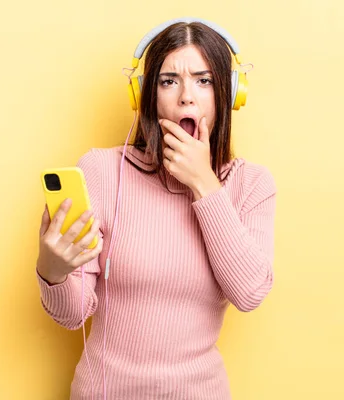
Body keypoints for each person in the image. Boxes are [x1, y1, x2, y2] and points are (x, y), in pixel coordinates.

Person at [35, 17, 277, 400]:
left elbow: (249, 293)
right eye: (168, 81)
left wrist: (204, 185)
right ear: (146, 94)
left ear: (230, 94)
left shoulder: (252, 185)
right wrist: (53, 272)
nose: (186, 97)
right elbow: (72, 316)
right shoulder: (100, 171)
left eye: (205, 80)